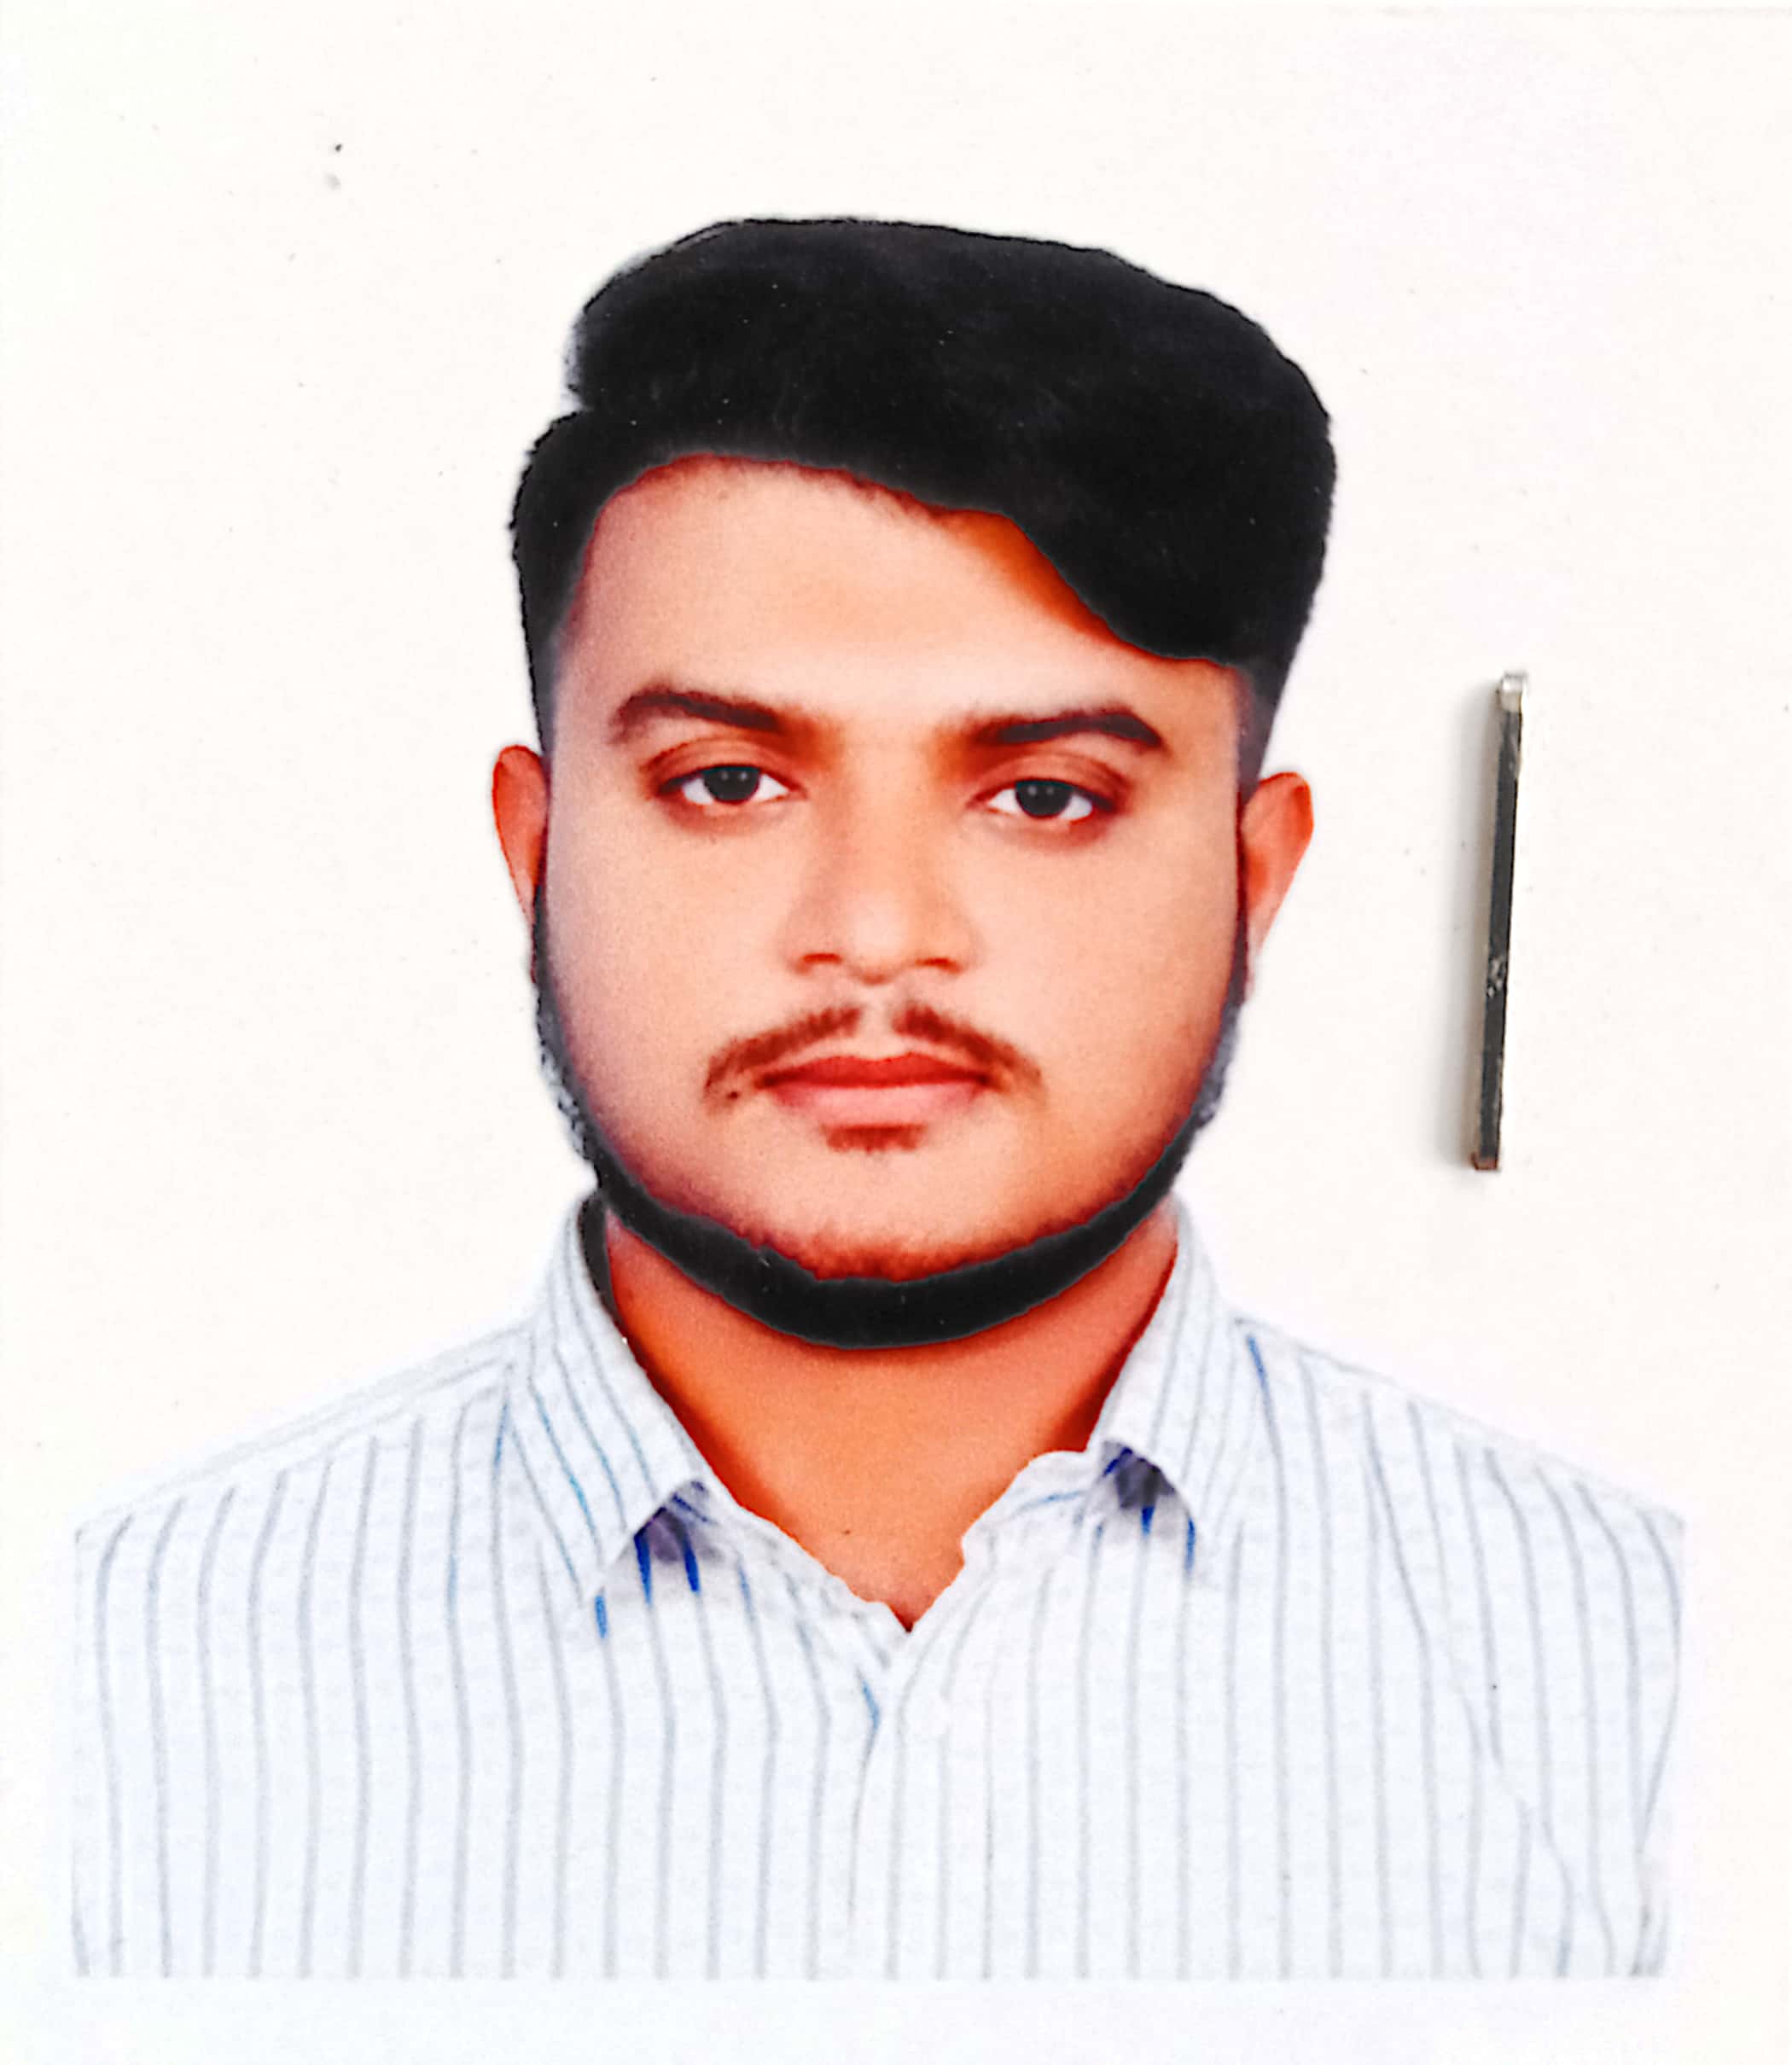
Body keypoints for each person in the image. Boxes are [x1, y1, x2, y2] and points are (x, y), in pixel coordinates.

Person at [70, 218, 1682, 1982]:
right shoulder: (110, 1677)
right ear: (535, 851)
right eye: (730, 781)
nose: (877, 933)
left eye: (1045, 797)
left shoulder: (1638, 1669)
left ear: (1254, 872)